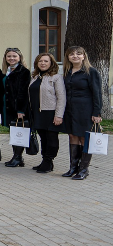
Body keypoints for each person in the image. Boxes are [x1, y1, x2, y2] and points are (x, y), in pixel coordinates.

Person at [61, 46, 102, 180]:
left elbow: (97, 93)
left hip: (85, 109)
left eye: (79, 54)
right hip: (70, 109)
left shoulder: (91, 72)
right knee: (72, 135)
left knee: (84, 137)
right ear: (67, 57)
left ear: (84, 56)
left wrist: (97, 113)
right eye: (72, 54)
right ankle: (73, 168)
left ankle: (83, 169)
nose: (75, 56)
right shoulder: (67, 72)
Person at [28, 52, 65, 173]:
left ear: (51, 63)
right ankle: (45, 160)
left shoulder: (56, 77)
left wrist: (58, 115)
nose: (43, 63)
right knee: (43, 138)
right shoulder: (35, 77)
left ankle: (48, 161)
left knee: (52, 139)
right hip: (38, 113)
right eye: (40, 61)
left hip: (51, 112)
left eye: (45, 61)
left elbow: (61, 97)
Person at [2, 47, 30, 168]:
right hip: (8, 107)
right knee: (13, 132)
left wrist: (21, 110)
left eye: (14, 56)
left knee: (18, 132)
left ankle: (17, 157)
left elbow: (23, 92)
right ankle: (17, 157)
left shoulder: (23, 72)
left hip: (17, 108)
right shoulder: (8, 70)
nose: (11, 58)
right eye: (9, 56)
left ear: (19, 57)